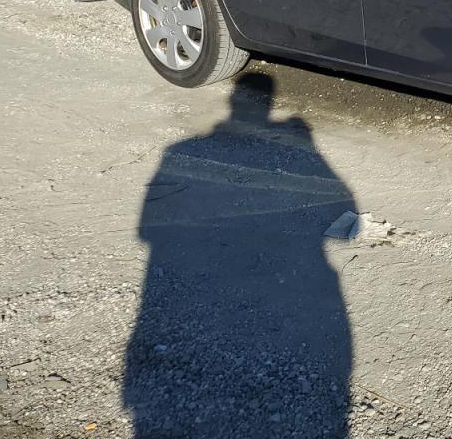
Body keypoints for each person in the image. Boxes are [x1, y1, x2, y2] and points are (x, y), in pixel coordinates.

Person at [123, 73, 355, 437]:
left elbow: (146, 230)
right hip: (285, 298)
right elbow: (343, 219)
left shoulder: (181, 151)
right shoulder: (295, 148)